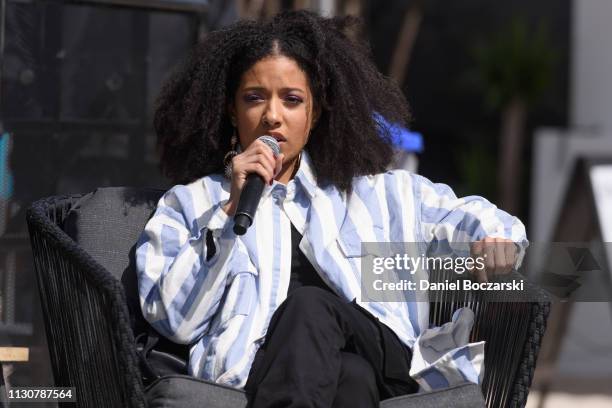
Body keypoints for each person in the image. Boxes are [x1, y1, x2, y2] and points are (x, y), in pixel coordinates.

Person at [136, 10, 526, 408]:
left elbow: (465, 215)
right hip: (270, 371)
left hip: (385, 359)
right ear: (231, 111)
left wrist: (497, 241)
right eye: (254, 98)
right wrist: (228, 213)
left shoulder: (371, 193)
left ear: (313, 114)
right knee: (349, 378)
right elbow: (176, 321)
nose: (272, 116)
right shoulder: (190, 205)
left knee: (310, 307)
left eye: (292, 100)